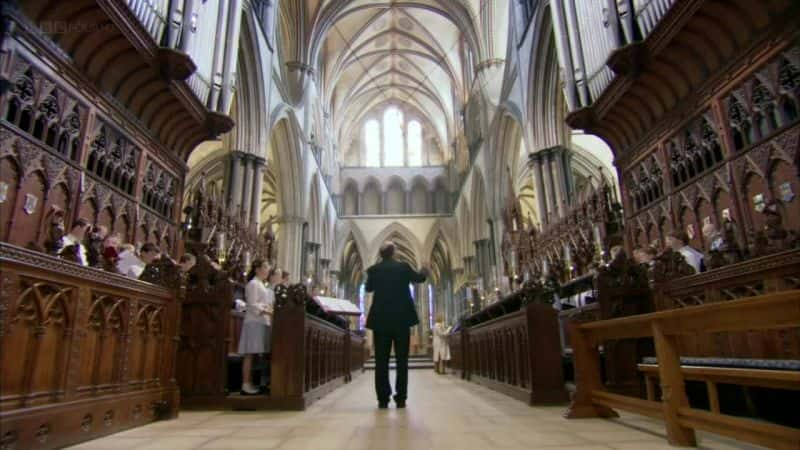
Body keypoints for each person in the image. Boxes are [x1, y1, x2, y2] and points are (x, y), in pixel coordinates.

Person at [365, 241, 428, 409]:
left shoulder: (374, 269)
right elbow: (420, 278)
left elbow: (368, 288)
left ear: (381, 254)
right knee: (402, 361)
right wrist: (424, 269)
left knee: (381, 362)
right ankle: (401, 398)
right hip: (402, 320)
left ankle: (383, 399)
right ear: (393, 253)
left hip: (381, 321)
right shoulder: (403, 267)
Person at [238, 260, 275, 395]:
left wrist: (268, 309)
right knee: (249, 353)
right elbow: (253, 304)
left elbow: (263, 303)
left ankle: (254, 383)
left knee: (257, 353)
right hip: (254, 322)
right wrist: (267, 311)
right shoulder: (253, 284)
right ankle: (245, 384)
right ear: (257, 269)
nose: (267, 270)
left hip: (261, 322)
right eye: (265, 267)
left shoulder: (261, 284)